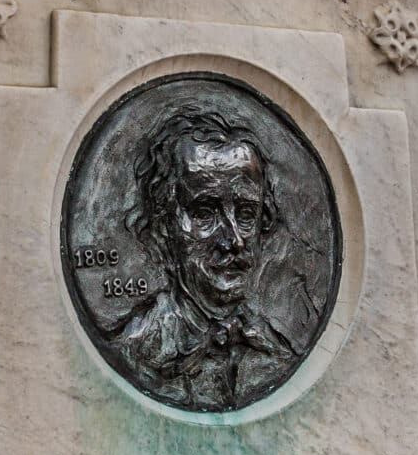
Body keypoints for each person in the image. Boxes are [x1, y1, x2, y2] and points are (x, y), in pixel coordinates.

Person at [109, 107, 303, 411]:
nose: (234, 241)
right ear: (162, 230)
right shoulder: (134, 350)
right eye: (205, 213)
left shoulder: (276, 353)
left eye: (246, 214)